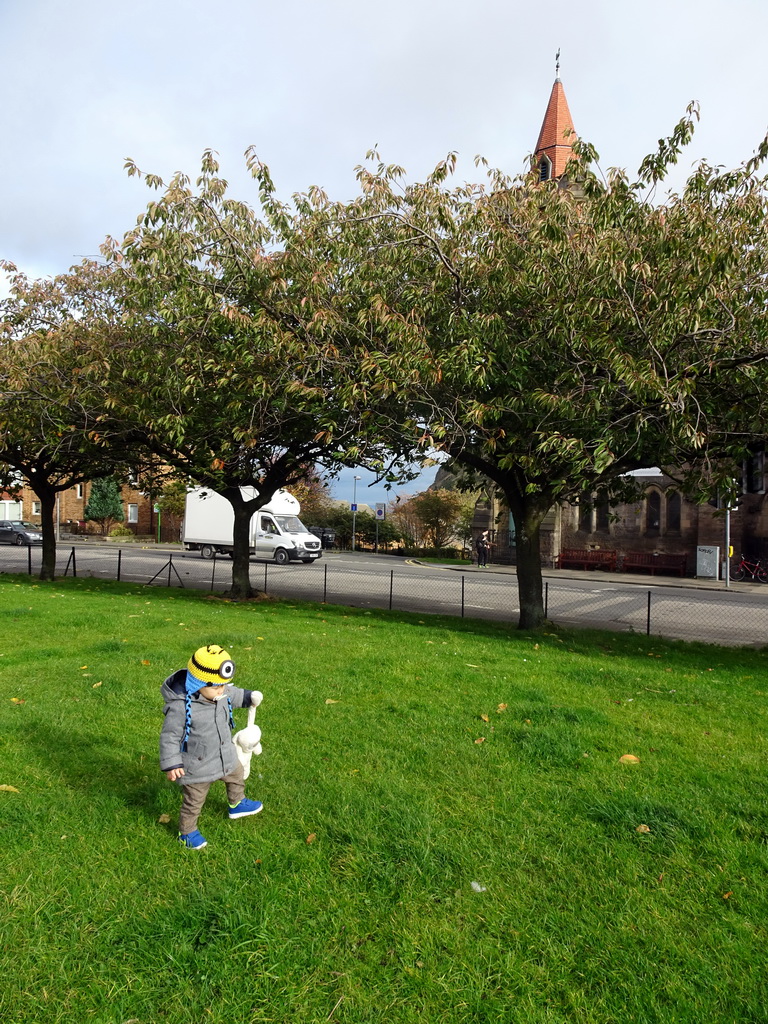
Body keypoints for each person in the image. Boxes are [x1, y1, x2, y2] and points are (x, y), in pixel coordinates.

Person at [160, 643, 263, 850]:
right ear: (197, 682)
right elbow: (170, 736)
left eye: (223, 685)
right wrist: (172, 764)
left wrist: (249, 696)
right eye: (215, 686)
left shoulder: (220, 693)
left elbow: (234, 694)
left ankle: (237, 804)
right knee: (194, 800)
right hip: (196, 766)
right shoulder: (180, 707)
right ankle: (187, 831)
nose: (221, 689)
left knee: (237, 775)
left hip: (224, 755)